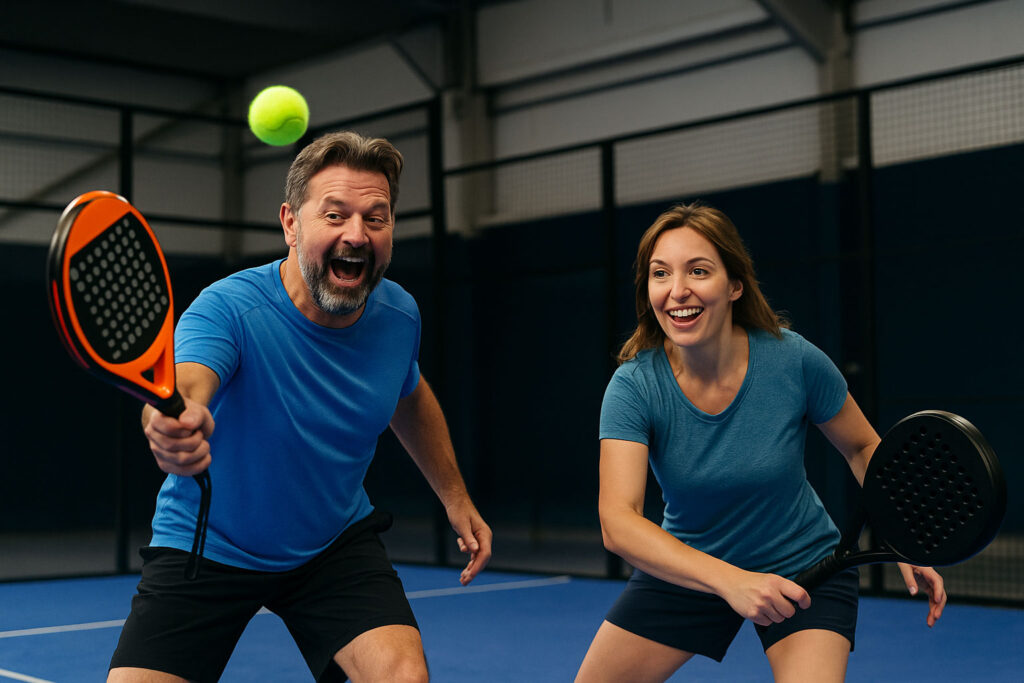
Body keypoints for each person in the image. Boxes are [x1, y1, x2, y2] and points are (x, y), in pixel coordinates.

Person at [108, 131, 492, 683]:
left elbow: (407, 394)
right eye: (334, 215)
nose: (356, 234)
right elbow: (188, 386)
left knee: (402, 678)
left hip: (330, 546)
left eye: (376, 217)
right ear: (291, 223)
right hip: (209, 543)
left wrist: (455, 496)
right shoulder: (228, 308)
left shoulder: (398, 315)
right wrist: (171, 423)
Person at [575, 203, 945, 682]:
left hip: (804, 566)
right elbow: (617, 522)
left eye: (699, 271)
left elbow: (862, 447)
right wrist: (731, 581)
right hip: (691, 567)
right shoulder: (634, 386)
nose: (677, 290)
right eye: (660, 274)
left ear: (734, 285)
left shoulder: (794, 360)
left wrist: (904, 534)